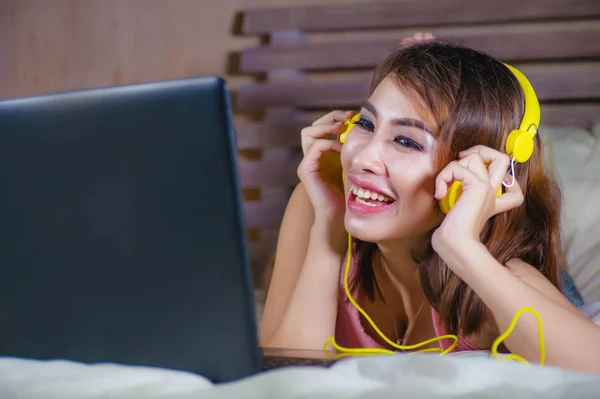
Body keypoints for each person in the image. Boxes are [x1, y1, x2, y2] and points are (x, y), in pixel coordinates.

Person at [258, 35, 600, 374]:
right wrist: (328, 230)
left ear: (468, 172)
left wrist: (461, 246)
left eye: (406, 141)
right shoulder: (318, 200)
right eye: (365, 123)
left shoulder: (495, 279)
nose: (363, 158)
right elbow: (283, 380)